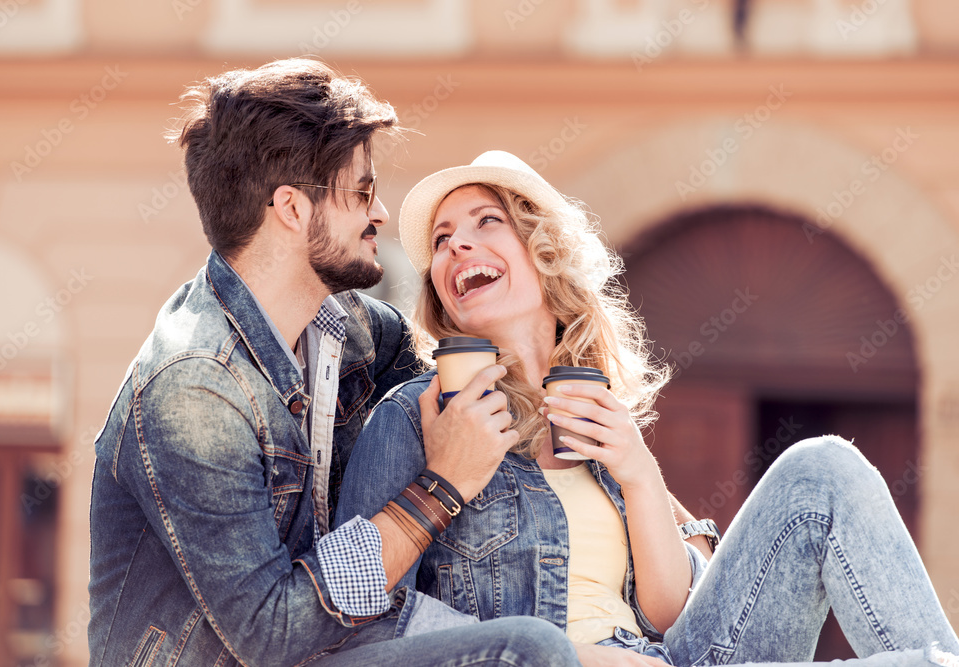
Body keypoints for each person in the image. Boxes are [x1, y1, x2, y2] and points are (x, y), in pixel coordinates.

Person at [335, 150, 959, 667]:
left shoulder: (593, 412)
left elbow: (671, 613)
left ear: (543, 248)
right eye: (442, 242)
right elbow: (363, 619)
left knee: (822, 469)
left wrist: (638, 470)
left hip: (670, 657)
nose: (456, 249)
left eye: (484, 223)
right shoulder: (416, 416)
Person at [87, 61, 586, 667]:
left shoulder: (353, 333)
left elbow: (482, 385)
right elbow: (271, 633)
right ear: (293, 209)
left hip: (349, 645)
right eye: (363, 193)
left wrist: (634, 476)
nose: (379, 215)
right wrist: (441, 490)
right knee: (525, 652)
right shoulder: (195, 388)